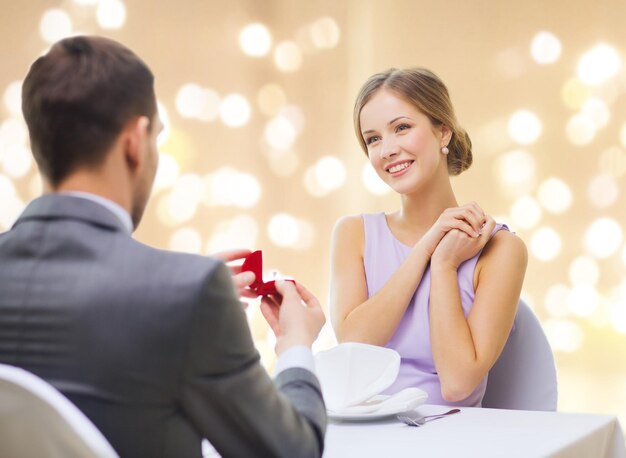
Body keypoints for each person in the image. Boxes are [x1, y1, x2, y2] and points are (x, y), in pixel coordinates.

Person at [0, 35, 326, 457]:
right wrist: (296, 346)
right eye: (157, 136)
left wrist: (186, 294)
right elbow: (291, 452)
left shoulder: (186, 292)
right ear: (136, 140)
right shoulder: (187, 295)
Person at [330, 68, 527, 407]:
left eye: (402, 128)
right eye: (373, 139)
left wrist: (444, 265)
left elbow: (458, 385)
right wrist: (426, 247)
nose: (387, 149)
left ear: (443, 132)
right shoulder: (353, 234)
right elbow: (353, 350)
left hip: (449, 440)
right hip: (361, 436)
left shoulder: (500, 249)